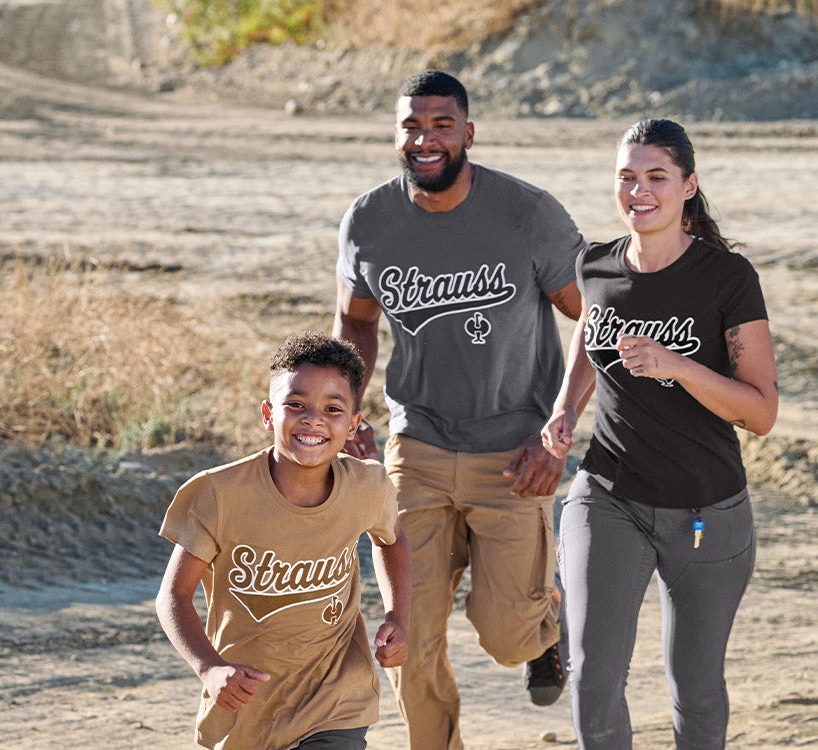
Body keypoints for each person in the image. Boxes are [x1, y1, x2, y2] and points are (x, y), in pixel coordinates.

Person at [333, 69, 586, 749]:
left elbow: (596, 319)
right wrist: (343, 410)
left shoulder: (527, 214)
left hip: (515, 453)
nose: (425, 139)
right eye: (412, 126)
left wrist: (557, 434)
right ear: (396, 135)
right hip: (413, 445)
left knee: (504, 638)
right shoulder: (369, 219)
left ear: (469, 133)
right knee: (407, 635)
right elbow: (355, 324)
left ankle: (543, 623)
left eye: (442, 125)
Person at [541, 118, 779, 750]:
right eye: (626, 177)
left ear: (688, 185)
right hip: (608, 493)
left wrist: (677, 365)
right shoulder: (594, 264)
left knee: (696, 688)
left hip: (707, 508)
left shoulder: (728, 278)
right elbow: (592, 338)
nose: (638, 191)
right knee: (594, 676)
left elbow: (760, 412)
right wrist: (566, 406)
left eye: (655, 177)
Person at [156, 331, 411, 750]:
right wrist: (210, 669)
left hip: (336, 699)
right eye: (296, 404)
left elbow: (391, 540)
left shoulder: (368, 486)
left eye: (333, 409)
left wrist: (398, 617)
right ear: (268, 414)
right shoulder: (219, 494)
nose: (313, 419)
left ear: (352, 425)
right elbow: (173, 596)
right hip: (246, 704)